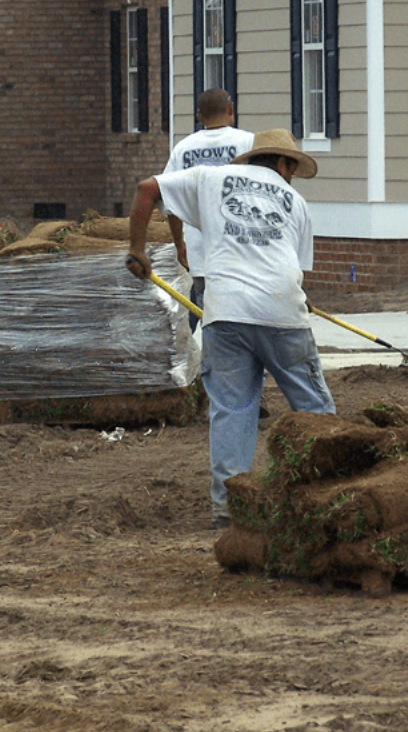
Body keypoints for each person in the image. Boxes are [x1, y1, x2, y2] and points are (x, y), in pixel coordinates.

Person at [124, 129, 337, 529]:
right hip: (281, 314)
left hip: (224, 313)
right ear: (283, 164)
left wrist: (137, 250)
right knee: (315, 411)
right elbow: (293, 269)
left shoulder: (209, 178)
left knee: (233, 411)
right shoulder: (298, 203)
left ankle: (228, 508)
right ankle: (326, 495)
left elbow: (145, 189)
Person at [161, 89, 254, 332]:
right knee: (242, 315)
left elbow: (170, 203)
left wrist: (179, 244)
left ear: (199, 117)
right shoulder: (249, 143)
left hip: (201, 252)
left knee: (208, 313)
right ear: (231, 110)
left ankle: (207, 364)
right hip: (244, 249)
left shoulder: (183, 148)